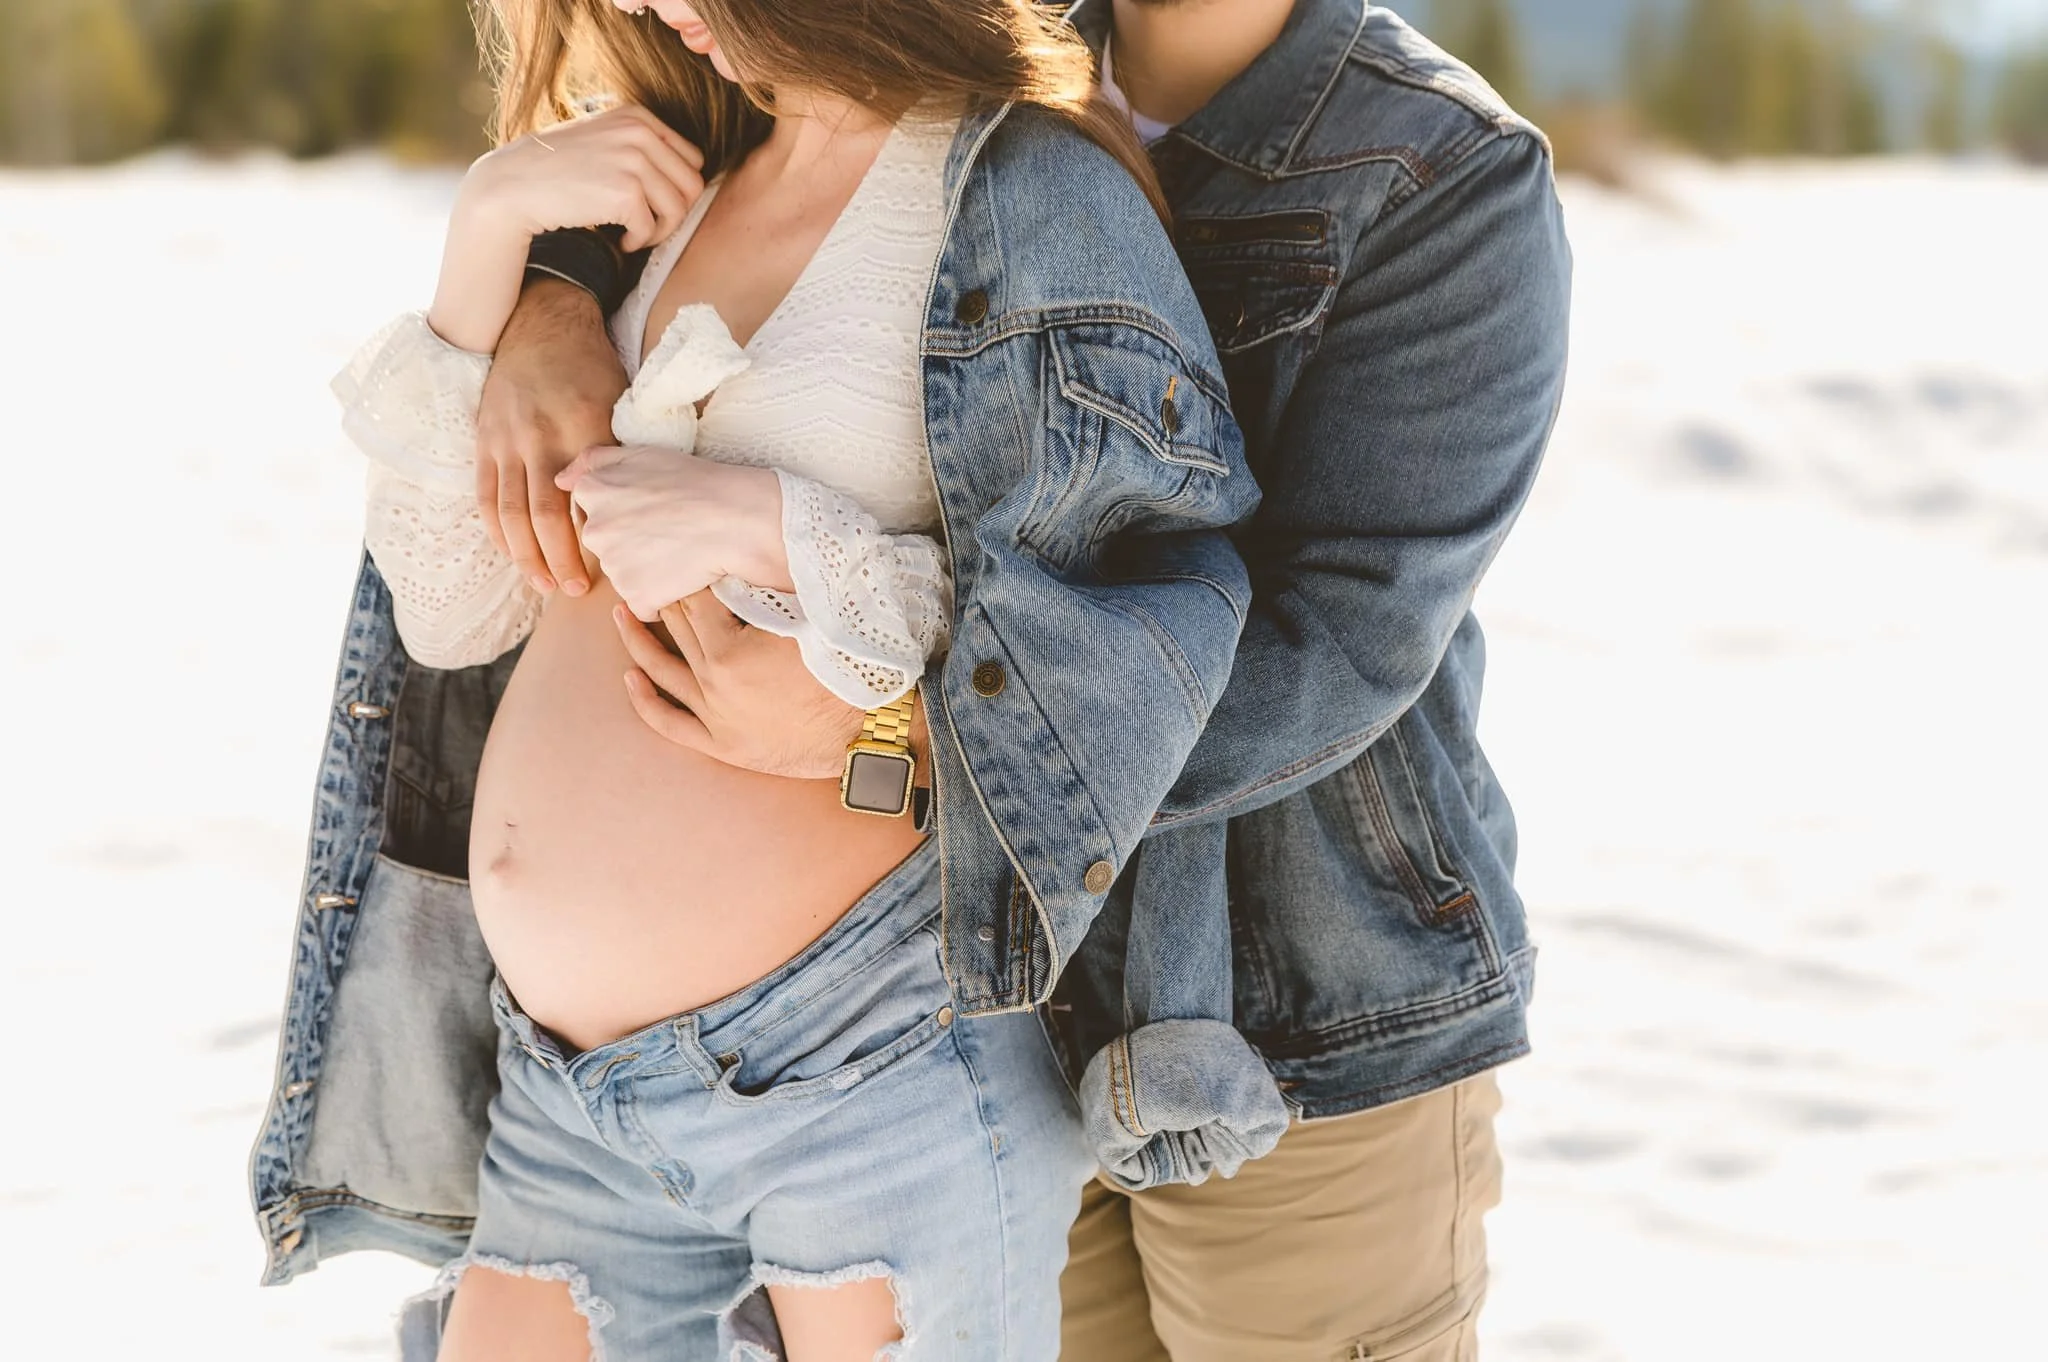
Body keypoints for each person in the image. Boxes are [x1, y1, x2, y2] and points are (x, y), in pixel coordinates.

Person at [484, 0, 1574, 1357]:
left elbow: (1337, 646)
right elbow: (711, 122)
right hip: (994, 998)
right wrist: (554, 298)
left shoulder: (1440, 168)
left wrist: (905, 728)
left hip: (1288, 1005)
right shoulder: (983, 53)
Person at [248, 0, 1265, 1358]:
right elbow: (449, 614)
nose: (650, 9)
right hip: (572, 1090)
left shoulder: (1032, 189)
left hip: (867, 1060)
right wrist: (490, 239)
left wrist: (781, 533)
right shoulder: (661, 193)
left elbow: (1139, 629)